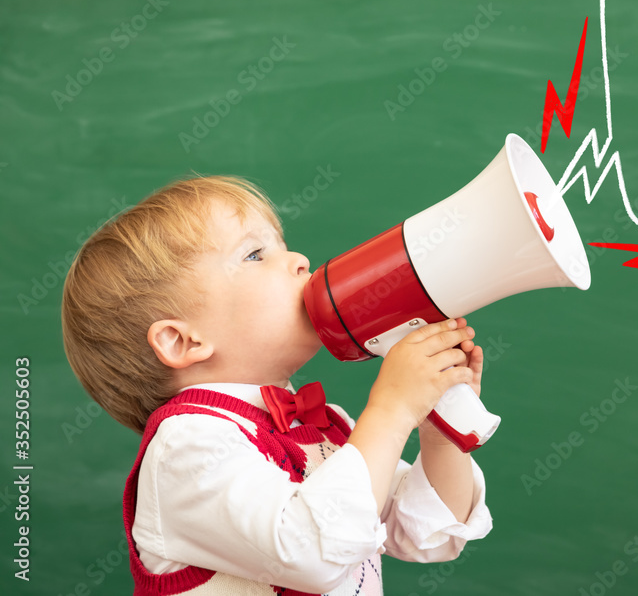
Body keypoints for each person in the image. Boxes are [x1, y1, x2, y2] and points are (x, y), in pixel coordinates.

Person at [61, 175, 492, 595]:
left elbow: (428, 535)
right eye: (254, 255)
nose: (300, 260)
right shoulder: (185, 446)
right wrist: (392, 412)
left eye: (282, 245)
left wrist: (438, 434)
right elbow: (311, 551)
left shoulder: (324, 426)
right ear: (183, 340)